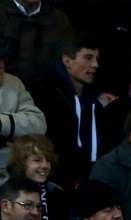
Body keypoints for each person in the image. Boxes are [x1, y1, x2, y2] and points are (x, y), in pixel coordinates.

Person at [34, 35, 111, 189]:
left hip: (91, 183)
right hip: (56, 185)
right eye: (88, 58)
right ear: (67, 61)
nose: (95, 64)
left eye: (97, 59)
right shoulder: (46, 98)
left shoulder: (96, 101)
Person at [6, 135, 70, 220]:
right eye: (37, 160)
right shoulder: (6, 192)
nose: (45, 165)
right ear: (21, 162)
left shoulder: (57, 193)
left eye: (48, 160)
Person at [0, 43, 46, 185]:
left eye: (1, 60)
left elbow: (39, 124)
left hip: (10, 170)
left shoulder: (12, 83)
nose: (1, 65)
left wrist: (2, 124)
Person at [0, 0, 73, 86]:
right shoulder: (2, 14)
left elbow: (67, 62)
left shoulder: (59, 20)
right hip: (6, 92)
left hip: (48, 92)